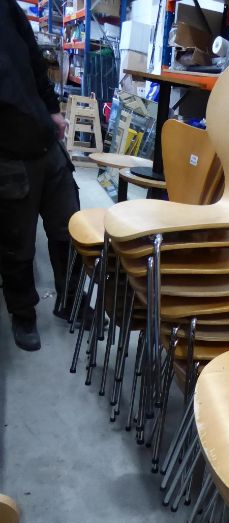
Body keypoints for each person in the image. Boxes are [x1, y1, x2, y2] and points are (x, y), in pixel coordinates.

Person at [0, 0, 80, 351]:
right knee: (16, 243)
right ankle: (23, 314)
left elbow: (34, 58)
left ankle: (71, 301)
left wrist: (52, 108)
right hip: (8, 154)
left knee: (70, 228)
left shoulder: (6, 8)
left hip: (45, 138)